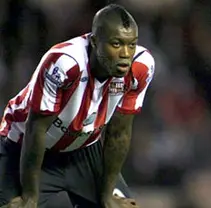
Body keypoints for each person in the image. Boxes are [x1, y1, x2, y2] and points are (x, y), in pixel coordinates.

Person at [0, 3, 154, 208]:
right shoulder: (65, 63)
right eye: (116, 44)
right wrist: (29, 196)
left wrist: (107, 195)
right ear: (95, 41)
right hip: (24, 147)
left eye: (131, 44)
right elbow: (36, 129)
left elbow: (119, 132)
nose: (126, 53)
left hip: (83, 150)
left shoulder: (141, 66)